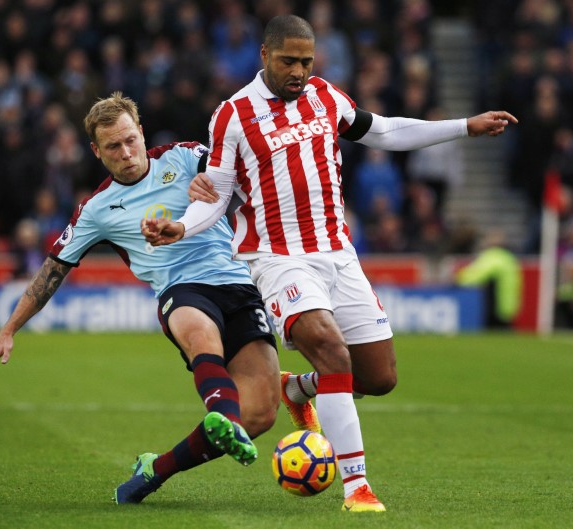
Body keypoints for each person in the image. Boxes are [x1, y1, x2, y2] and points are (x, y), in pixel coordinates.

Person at [142, 14, 517, 513]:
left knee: (379, 377)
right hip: (277, 258)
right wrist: (182, 226)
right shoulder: (233, 116)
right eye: (288, 61)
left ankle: (300, 389)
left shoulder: (324, 95)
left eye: (306, 61)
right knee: (332, 351)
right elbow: (218, 194)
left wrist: (463, 127)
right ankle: (357, 487)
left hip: (338, 254)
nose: (298, 71)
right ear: (264, 56)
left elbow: (382, 131)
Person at [0, 92, 291, 505]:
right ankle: (223, 416)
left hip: (237, 283)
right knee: (201, 337)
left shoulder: (183, 156)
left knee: (260, 415)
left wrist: (215, 180)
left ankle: (156, 468)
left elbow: (239, 169)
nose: (126, 153)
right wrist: (9, 329)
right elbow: (52, 270)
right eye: (113, 147)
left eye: (130, 140)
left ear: (141, 133)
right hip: (181, 290)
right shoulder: (96, 209)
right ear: (96, 152)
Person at [456, 230, 522, 328]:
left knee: (495, 335)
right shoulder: (509, 258)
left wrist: (458, 277)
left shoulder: (494, 257)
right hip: (510, 305)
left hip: (497, 307)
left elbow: (476, 275)